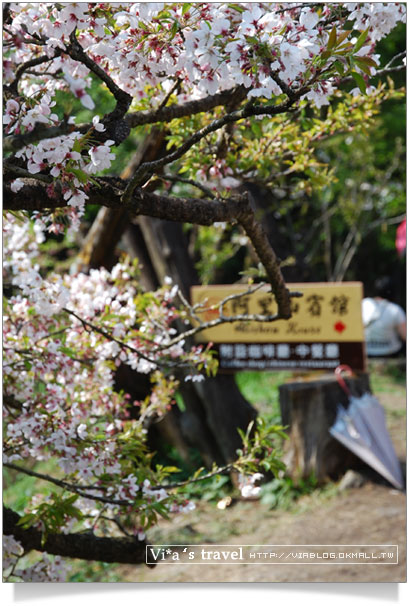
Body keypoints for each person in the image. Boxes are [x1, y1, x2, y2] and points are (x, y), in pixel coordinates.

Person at [362, 277, 406, 357]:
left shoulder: (363, 304)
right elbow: (405, 336)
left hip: (366, 351)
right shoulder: (395, 309)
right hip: (390, 353)